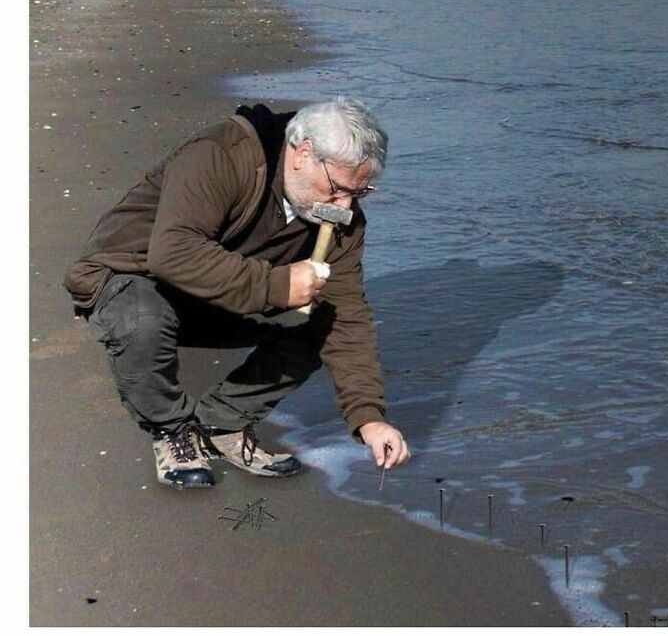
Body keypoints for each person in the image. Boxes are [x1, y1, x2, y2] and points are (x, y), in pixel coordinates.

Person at [65, 97, 410, 488]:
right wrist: (278, 286)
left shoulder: (340, 218)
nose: (344, 206)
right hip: (131, 276)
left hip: (217, 294)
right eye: (337, 189)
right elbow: (172, 252)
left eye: (359, 193)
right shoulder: (221, 155)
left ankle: (222, 423)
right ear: (303, 153)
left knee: (320, 321)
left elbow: (346, 314)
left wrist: (368, 416)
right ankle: (172, 431)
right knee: (142, 319)